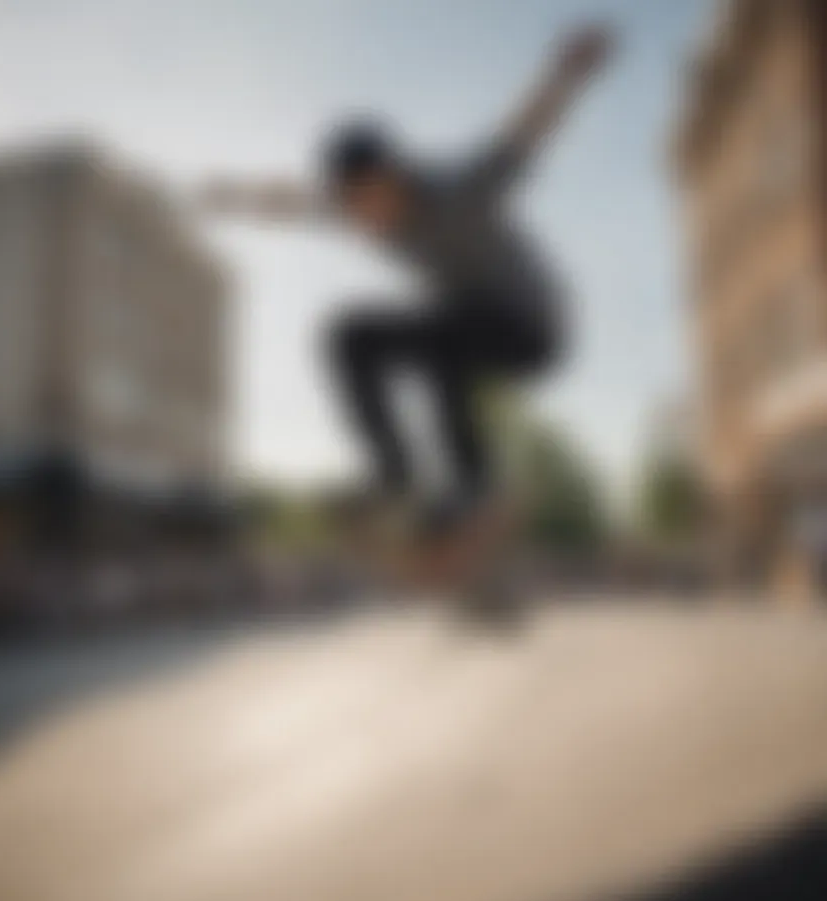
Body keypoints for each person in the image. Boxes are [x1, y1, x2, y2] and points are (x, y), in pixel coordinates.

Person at [199, 23, 617, 567]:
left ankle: (472, 487)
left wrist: (566, 73)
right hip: (468, 328)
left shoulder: (460, 189)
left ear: (396, 176)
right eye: (356, 210)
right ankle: (397, 475)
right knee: (349, 334)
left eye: (373, 202)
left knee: (447, 338)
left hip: (535, 328)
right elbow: (297, 203)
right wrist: (231, 196)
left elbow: (522, 137)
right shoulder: (354, 210)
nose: (370, 222)